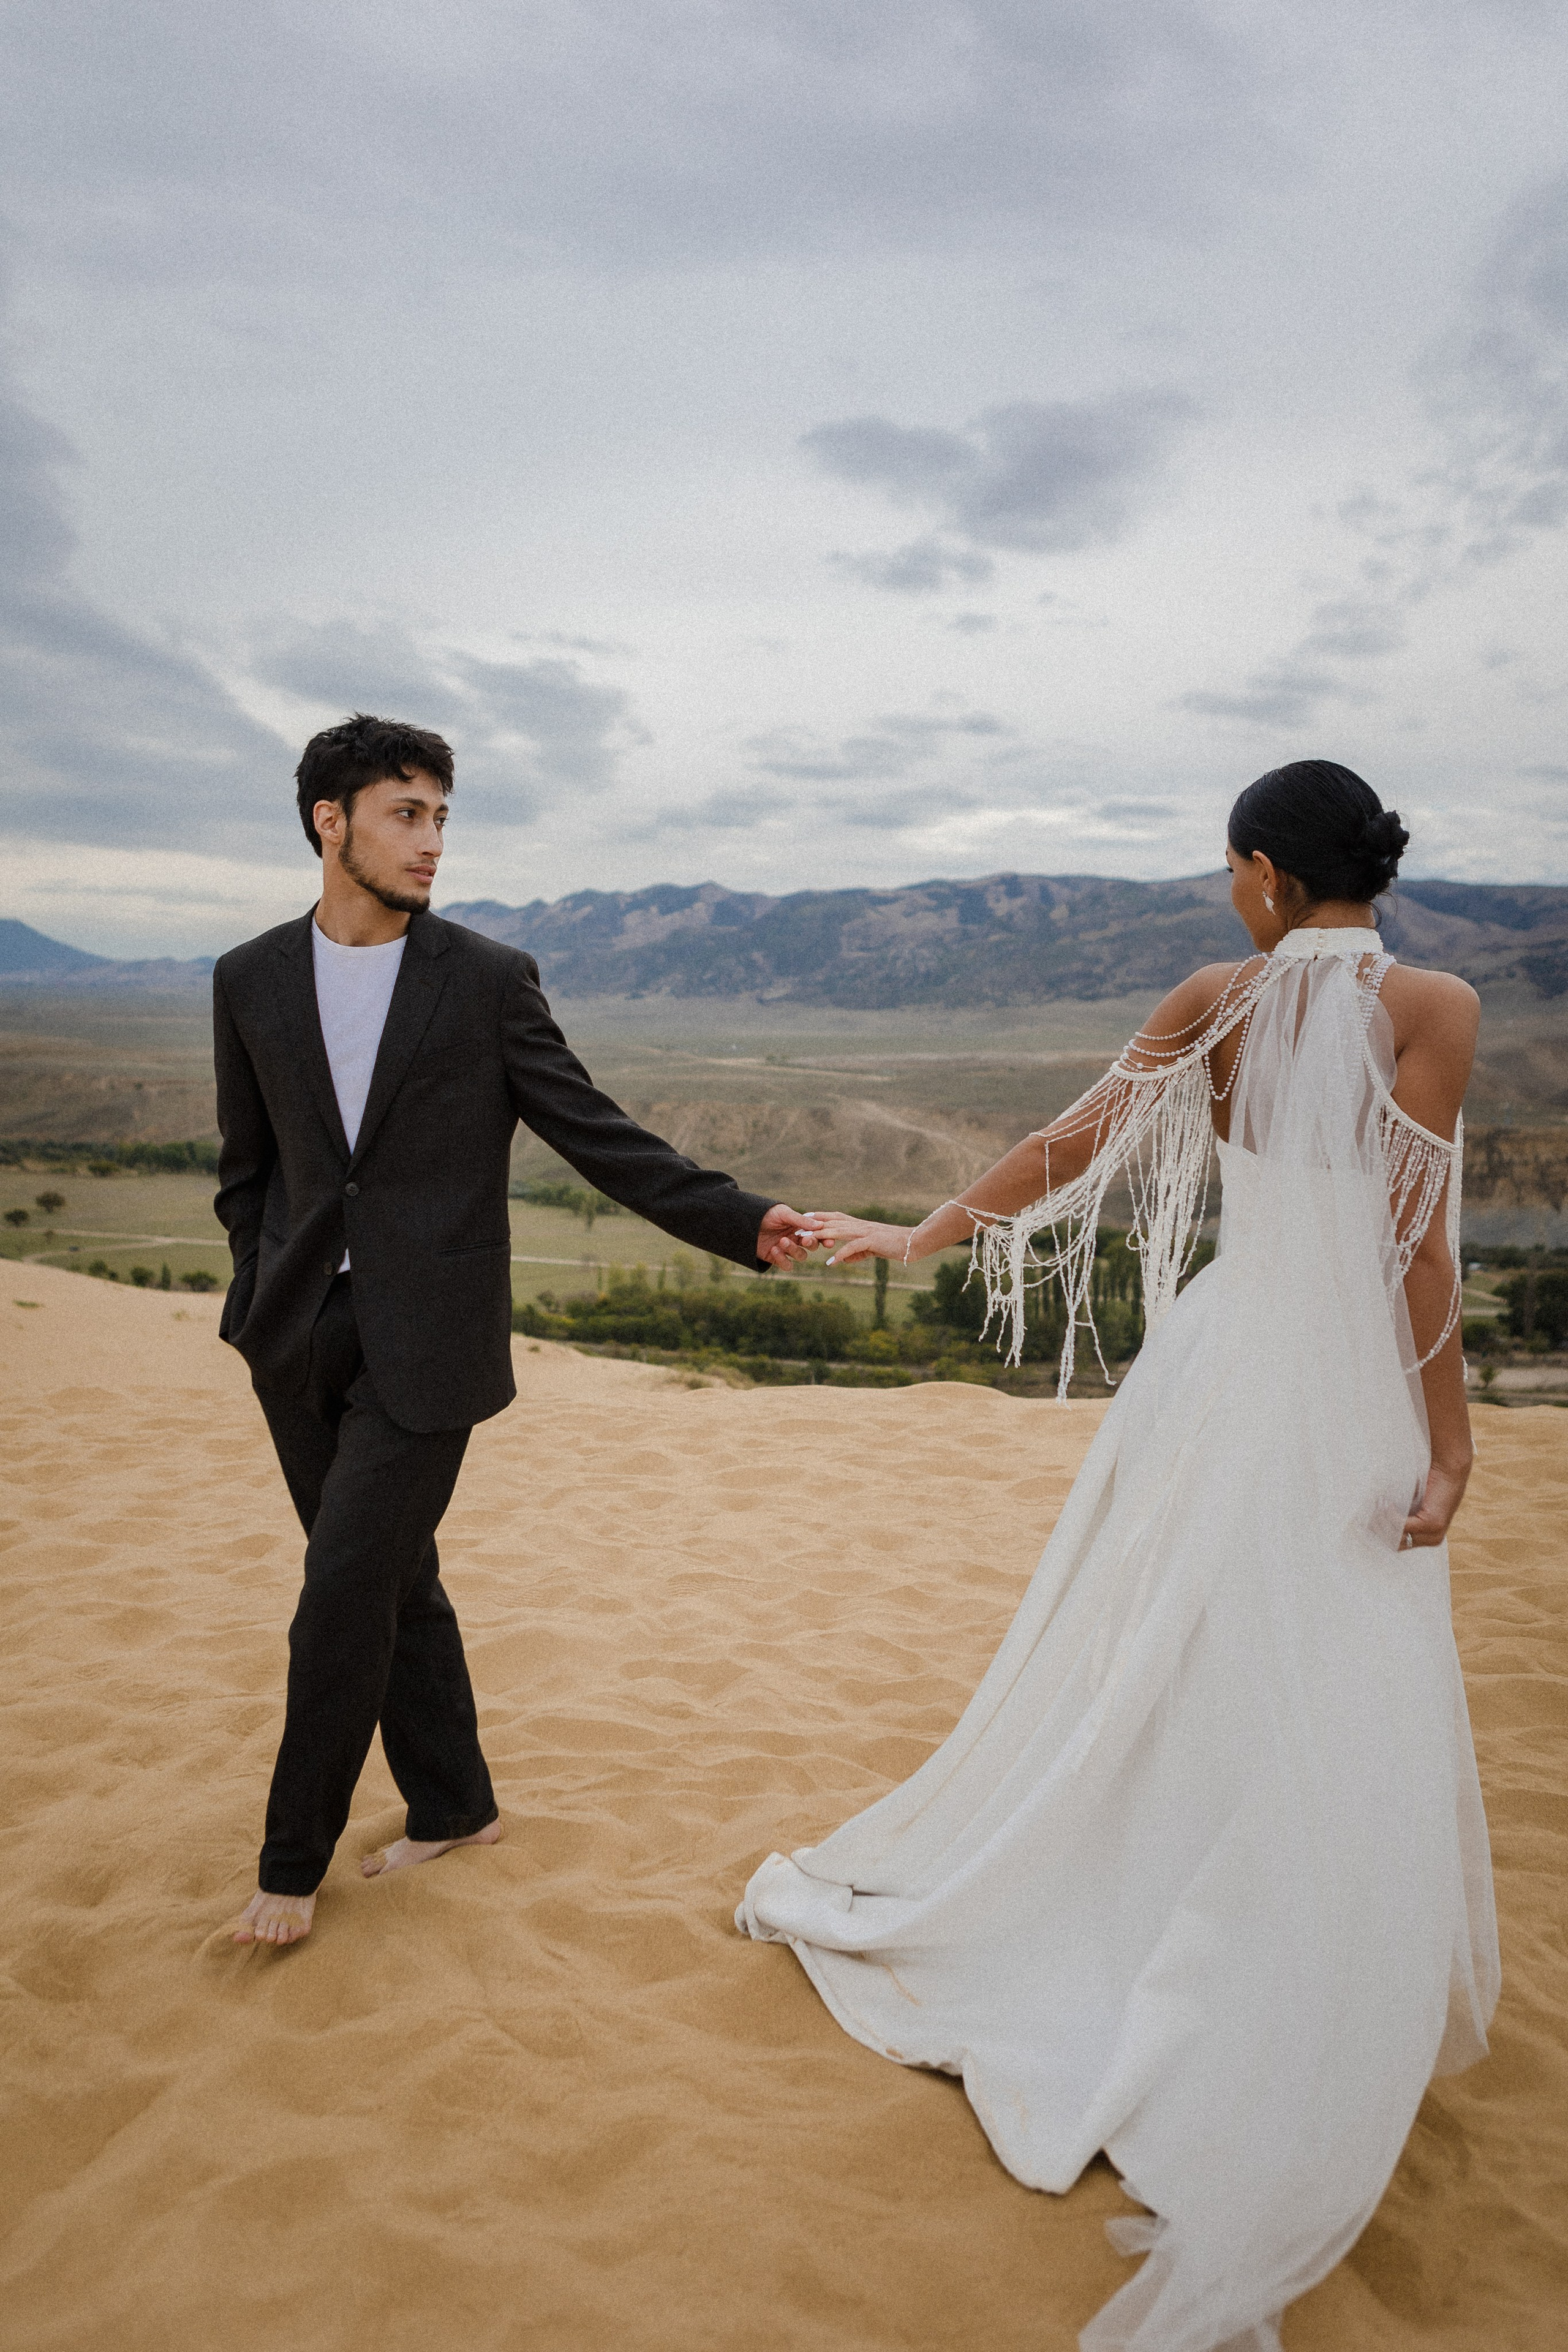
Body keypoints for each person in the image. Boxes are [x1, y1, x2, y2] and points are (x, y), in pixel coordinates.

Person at [744, 761, 1499, 2352]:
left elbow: (1072, 1143)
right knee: (1339, 1662)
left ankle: (1158, 1904)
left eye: (1234, 869)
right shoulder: (1436, 1003)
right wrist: (1451, 1435)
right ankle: (1285, 1963)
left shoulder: (1218, 998)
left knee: (1180, 1638)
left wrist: (920, 1233)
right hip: (1345, 1382)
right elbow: (1411, 1244)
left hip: (1217, 1376)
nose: (1231, 891)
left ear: (1266, 872)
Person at [217, 714, 812, 1948]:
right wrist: (255, 1289)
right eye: (406, 813)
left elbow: (594, 1133)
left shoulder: (485, 979)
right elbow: (247, 1168)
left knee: (341, 1587)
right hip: (295, 1337)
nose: (433, 841)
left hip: (428, 1346)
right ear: (331, 823)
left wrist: (742, 1222)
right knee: (395, 1580)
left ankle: (289, 1864)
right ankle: (454, 1805)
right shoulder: (249, 978)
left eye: (440, 814)